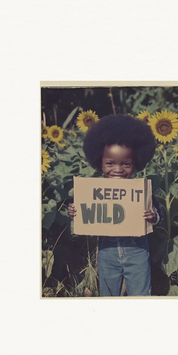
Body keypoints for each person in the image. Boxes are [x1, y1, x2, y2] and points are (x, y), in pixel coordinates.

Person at [68, 114, 164, 296]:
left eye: (126, 164)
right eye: (110, 164)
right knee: (108, 293)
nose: (118, 170)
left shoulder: (142, 190)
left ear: (136, 163)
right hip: (107, 252)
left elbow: (159, 211)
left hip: (137, 252)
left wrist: (154, 216)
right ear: (100, 163)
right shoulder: (94, 191)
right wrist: (74, 211)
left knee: (140, 293)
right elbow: (86, 212)